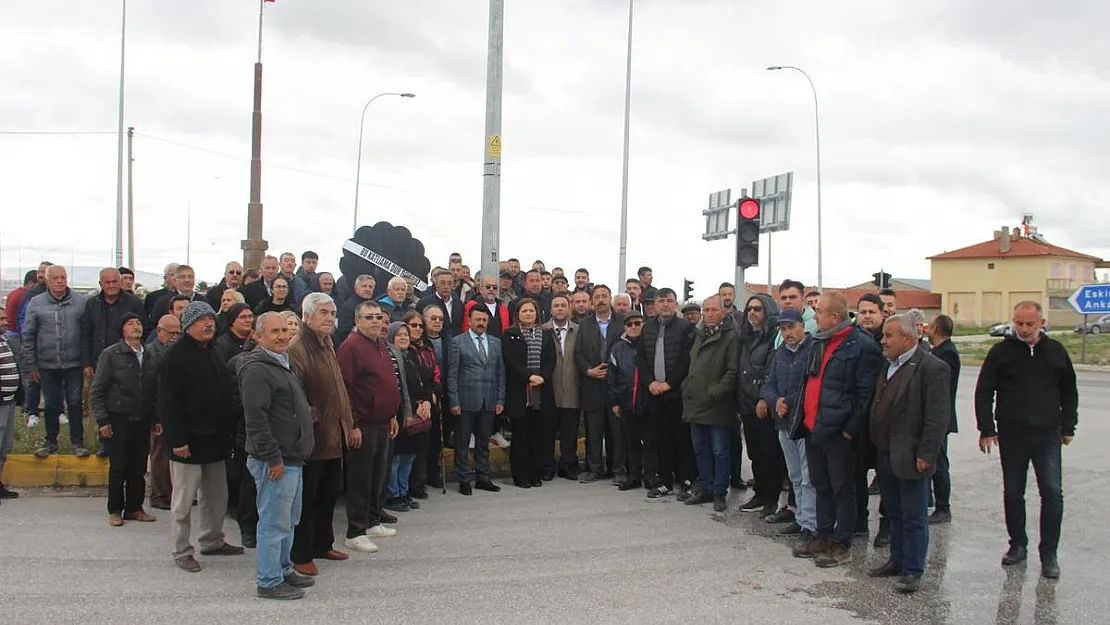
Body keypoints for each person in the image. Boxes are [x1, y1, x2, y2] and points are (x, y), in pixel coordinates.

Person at [975, 301, 1077, 580]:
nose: (1023, 329)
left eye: (1029, 324)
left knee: (1052, 493)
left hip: (1047, 434)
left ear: (1041, 322)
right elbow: (984, 391)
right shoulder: (1001, 352)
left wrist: (1069, 426)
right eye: (1019, 323)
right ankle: (1017, 544)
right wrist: (986, 428)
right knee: (1013, 492)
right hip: (1012, 434)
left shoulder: (1055, 351)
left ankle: (1049, 553)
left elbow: (1069, 391)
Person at [866, 313, 951, 594]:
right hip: (886, 452)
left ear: (907, 338)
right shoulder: (888, 365)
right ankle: (897, 560)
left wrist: (927, 453)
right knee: (895, 511)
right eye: (884, 335)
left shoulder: (932, 367)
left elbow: (937, 417)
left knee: (914, 515)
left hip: (913, 454)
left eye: (889, 336)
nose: (883, 340)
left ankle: (913, 569)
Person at [798, 291, 882, 569]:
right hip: (814, 428)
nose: (814, 315)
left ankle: (841, 541)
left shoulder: (861, 345)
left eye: (819, 311)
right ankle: (823, 535)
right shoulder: (817, 342)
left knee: (842, 489)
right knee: (821, 485)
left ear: (834, 316)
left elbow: (865, 395)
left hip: (839, 432)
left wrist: (850, 429)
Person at [160, 302, 244, 572]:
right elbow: (167, 402)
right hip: (188, 442)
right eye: (201, 320)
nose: (208, 324)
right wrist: (177, 440)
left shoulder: (210, 351)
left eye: (211, 319)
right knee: (183, 502)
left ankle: (212, 540)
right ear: (188, 325)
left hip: (215, 441)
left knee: (216, 496)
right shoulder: (175, 356)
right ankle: (181, 550)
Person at [238, 312, 316, 600]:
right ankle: (269, 581)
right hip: (276, 462)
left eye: (286, 329)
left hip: (293, 458)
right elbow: (256, 419)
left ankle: (283, 569)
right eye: (275, 331)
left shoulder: (282, 362)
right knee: (273, 522)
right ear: (258, 336)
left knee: (288, 520)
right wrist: (273, 458)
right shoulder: (257, 369)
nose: (283, 335)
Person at [288, 293, 355, 576]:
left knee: (328, 495)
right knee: (308, 499)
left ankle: (322, 544)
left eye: (332, 313)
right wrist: (311, 424)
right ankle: (301, 553)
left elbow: (338, 388)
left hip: (334, 435)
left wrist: (348, 423)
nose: (330, 318)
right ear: (307, 316)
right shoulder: (297, 348)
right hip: (312, 439)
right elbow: (297, 397)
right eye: (324, 313)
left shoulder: (327, 343)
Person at [337, 300, 408, 553]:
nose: (376, 322)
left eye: (379, 317)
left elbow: (387, 383)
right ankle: (355, 531)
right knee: (360, 478)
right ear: (357, 321)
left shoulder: (380, 345)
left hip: (383, 422)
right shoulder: (350, 348)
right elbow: (346, 389)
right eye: (370, 317)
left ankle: (373, 520)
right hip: (363, 424)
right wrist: (352, 424)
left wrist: (391, 415)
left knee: (378, 475)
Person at [89, 313, 159, 527]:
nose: (135, 327)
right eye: (130, 324)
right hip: (118, 417)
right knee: (119, 465)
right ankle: (115, 509)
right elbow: (98, 389)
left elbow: (154, 390)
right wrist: (102, 420)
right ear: (122, 330)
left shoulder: (149, 355)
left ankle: (135, 508)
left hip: (142, 417)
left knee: (138, 466)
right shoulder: (111, 354)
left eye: (138, 323)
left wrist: (156, 418)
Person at [762, 309, 818, 550]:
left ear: (802, 326)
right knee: (795, 475)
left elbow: (812, 385)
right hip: (783, 421)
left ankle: (811, 525)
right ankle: (800, 518)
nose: (787, 333)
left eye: (791, 327)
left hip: (803, 423)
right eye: (783, 329)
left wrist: (789, 401)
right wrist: (775, 401)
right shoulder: (779, 354)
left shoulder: (813, 350)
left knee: (808, 477)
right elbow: (768, 383)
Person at [23, 265, 90, 458]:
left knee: (75, 403)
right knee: (52, 404)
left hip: (74, 363)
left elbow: (86, 333)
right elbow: (28, 335)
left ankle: (77, 442)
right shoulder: (36, 303)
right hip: (46, 364)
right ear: (47, 280)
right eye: (55, 278)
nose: (60, 281)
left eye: (63, 277)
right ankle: (50, 442)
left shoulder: (80, 302)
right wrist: (31, 364)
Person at [636, 288, 696, 498]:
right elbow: (641, 358)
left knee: (682, 437)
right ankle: (665, 481)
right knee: (662, 439)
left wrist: (670, 383)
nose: (665, 305)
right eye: (661, 301)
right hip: (654, 393)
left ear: (675, 303)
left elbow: (686, 360)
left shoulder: (686, 328)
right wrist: (650, 382)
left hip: (677, 393)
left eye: (669, 301)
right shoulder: (648, 328)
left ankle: (686, 479)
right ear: (656, 304)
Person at [681, 296, 738, 512]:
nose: (710, 313)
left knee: (720, 451)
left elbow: (732, 371)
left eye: (714, 309)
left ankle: (719, 492)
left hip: (717, 404)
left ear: (723, 312)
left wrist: (716, 392)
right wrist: (686, 387)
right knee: (700, 449)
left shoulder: (730, 336)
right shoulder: (697, 334)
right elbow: (691, 365)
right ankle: (705, 488)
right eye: (706, 309)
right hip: (695, 402)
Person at [446, 306, 505, 496]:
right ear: (469, 321)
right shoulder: (458, 342)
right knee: (462, 443)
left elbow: (500, 373)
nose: (481, 323)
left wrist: (500, 399)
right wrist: (453, 400)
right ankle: (464, 479)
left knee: (483, 443)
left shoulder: (496, 343)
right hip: (465, 401)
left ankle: (483, 478)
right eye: (477, 319)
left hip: (488, 401)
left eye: (484, 320)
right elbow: (452, 374)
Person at [501, 298, 556, 488]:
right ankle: (520, 475)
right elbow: (511, 360)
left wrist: (543, 377)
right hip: (519, 393)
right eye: (524, 311)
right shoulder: (510, 334)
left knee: (538, 436)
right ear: (518, 314)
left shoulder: (546, 334)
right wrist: (529, 376)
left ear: (537, 313)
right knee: (521, 437)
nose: (528, 314)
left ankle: (535, 473)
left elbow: (551, 359)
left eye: (531, 311)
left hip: (542, 392)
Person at [737, 293, 783, 516]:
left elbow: (771, 370)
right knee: (754, 452)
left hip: (763, 404)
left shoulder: (773, 337)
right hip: (746, 402)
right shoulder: (745, 337)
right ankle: (760, 493)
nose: (752, 313)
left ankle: (771, 499)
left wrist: (764, 397)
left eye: (757, 309)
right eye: (749, 309)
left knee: (769, 453)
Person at [575, 285, 626, 484]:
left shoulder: (622, 322)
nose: (601, 300)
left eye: (605, 296)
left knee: (617, 431)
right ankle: (594, 468)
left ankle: (618, 470)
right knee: (593, 431)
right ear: (592, 301)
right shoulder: (585, 325)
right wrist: (589, 370)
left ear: (610, 299)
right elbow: (578, 353)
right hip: (592, 385)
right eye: (597, 297)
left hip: (616, 386)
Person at [383, 322, 432, 512]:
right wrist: (412, 406)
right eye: (399, 335)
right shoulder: (390, 358)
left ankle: (404, 492)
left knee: (409, 457)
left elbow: (424, 381)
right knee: (396, 458)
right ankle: (393, 494)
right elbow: (398, 388)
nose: (403, 338)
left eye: (405, 334)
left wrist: (426, 401)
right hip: (400, 413)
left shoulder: (411, 355)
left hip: (417, 413)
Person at [402, 311, 442, 498]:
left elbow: (434, 373)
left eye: (420, 326)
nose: (417, 329)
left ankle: (420, 483)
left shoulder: (427, 347)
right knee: (409, 448)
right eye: (413, 325)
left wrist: (432, 393)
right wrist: (416, 402)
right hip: (410, 404)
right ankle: (406, 487)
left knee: (425, 445)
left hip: (428, 400)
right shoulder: (403, 349)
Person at [925, 314, 960, 524]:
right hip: (938, 415)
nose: (927, 330)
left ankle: (943, 507)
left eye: (929, 326)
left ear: (936, 328)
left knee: (939, 463)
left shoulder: (946, 353)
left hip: (940, 417)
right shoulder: (938, 351)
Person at [542, 294, 581, 480]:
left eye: (563, 305)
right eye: (556, 305)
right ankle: (548, 466)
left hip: (572, 389)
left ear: (569, 308)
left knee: (570, 432)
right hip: (549, 390)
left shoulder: (579, 331)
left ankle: (567, 466)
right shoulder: (542, 331)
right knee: (547, 432)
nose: (559, 308)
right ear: (550, 310)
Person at [146, 314, 181, 511]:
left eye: (178, 332)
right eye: (171, 333)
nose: (175, 337)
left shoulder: (173, 351)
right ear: (159, 332)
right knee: (159, 454)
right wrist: (156, 417)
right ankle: (159, 494)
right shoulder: (152, 353)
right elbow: (152, 388)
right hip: (158, 411)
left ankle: (171, 491)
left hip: (172, 409)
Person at [607, 311, 645, 491]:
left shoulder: (649, 344)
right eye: (629, 324)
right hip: (626, 401)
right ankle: (634, 476)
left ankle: (653, 476)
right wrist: (614, 402)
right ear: (625, 327)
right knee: (632, 442)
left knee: (652, 442)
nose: (634, 327)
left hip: (648, 401)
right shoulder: (617, 349)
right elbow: (611, 379)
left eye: (637, 323)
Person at [0, 307, 24, 501]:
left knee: (4, 446)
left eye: (5, 319)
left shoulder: (4, 341)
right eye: (1, 319)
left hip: (8, 402)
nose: (5, 323)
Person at [417, 269, 464, 337]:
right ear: (436, 284)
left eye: (449, 283)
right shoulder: (424, 303)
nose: (446, 287)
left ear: (453, 285)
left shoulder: (459, 304)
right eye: (442, 283)